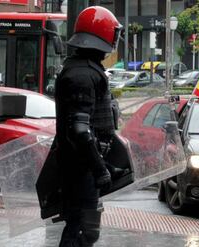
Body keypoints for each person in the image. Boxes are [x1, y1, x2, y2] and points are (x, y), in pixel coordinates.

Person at [54, 6, 123, 246]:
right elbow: (80, 130)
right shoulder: (82, 74)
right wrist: (99, 169)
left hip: (84, 166)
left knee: (84, 228)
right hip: (81, 168)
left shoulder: (84, 69)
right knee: (81, 230)